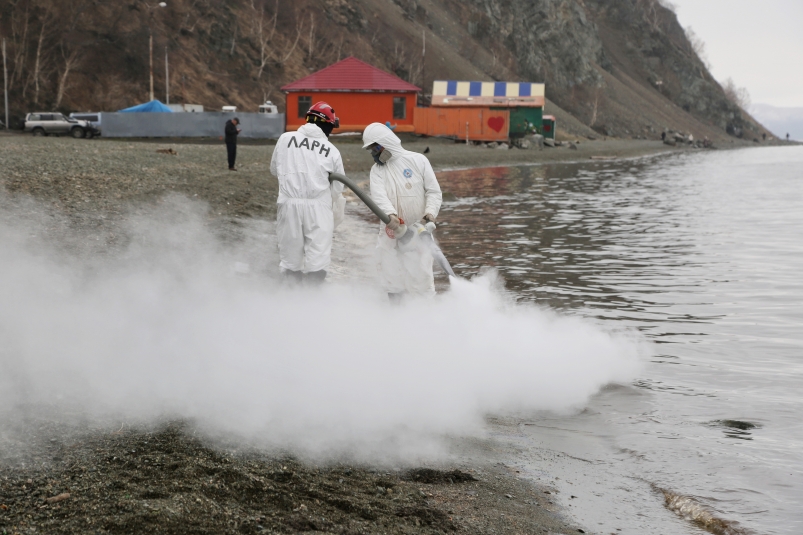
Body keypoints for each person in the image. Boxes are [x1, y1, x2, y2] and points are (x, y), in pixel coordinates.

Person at [362, 122, 442, 300]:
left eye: (375, 148)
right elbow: (379, 196)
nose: (373, 153)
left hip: (418, 231)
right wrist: (390, 216)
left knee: (422, 279)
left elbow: (433, 191)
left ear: (387, 142)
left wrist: (430, 215)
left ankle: (425, 320)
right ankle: (396, 321)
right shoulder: (377, 170)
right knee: (392, 278)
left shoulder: (418, 160)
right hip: (390, 231)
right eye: (371, 150)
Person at [270, 101, 346, 285]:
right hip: (318, 206)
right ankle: (312, 303)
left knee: (290, 256)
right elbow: (338, 187)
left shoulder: (285, 139)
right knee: (317, 258)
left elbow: (274, 169)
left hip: (289, 204)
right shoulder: (332, 151)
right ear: (327, 123)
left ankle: (290, 297)